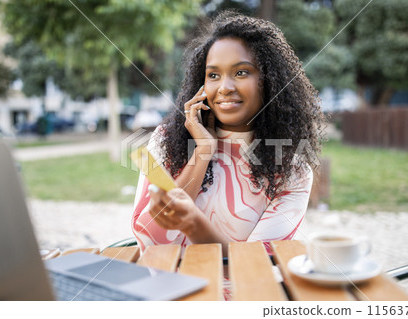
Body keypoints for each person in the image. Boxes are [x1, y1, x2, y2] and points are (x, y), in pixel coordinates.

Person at [132, 11, 325, 256]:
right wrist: (202, 153)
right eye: (213, 75)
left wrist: (194, 224)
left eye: (241, 72)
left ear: (270, 81)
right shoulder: (165, 141)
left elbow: (255, 263)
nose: (224, 88)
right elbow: (148, 242)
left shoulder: (293, 170)